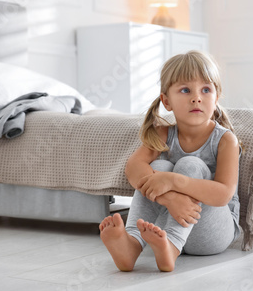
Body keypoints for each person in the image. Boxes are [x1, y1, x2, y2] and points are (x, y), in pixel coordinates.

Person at [99, 50, 241, 272]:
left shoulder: (225, 140)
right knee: (157, 168)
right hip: (169, 225)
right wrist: (170, 199)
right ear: (166, 101)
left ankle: (172, 247)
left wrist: (174, 182)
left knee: (189, 165)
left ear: (216, 97)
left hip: (213, 234)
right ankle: (132, 244)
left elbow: (224, 194)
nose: (196, 97)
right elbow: (134, 168)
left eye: (206, 90)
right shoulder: (163, 134)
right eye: (185, 90)